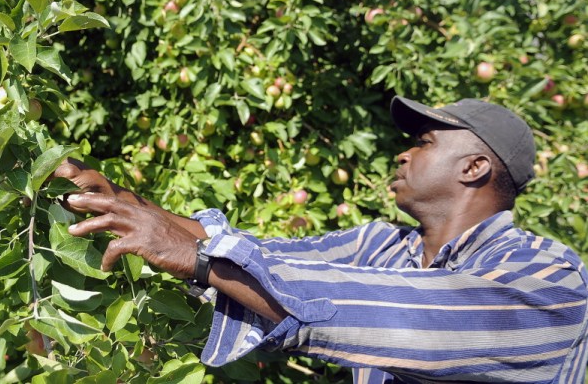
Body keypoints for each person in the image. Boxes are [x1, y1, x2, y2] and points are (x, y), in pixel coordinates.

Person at [53, 96, 588, 383]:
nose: (402, 154)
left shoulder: (547, 278)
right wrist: (117, 199)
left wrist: (194, 256)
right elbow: (259, 258)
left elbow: (400, 315)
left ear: (473, 167)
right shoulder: (384, 247)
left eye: (423, 143)